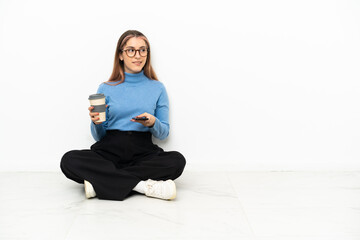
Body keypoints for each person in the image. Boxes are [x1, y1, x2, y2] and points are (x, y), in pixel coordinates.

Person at [60, 30, 186, 201]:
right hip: (109, 150)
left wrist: (152, 122)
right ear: (120, 55)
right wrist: (96, 123)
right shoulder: (106, 88)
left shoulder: (158, 88)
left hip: (143, 151)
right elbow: (99, 137)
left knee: (177, 161)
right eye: (131, 50)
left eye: (143, 50)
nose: (138, 55)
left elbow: (164, 133)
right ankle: (142, 187)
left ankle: (101, 183)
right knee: (69, 160)